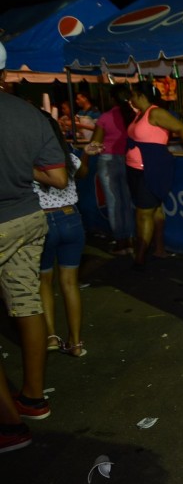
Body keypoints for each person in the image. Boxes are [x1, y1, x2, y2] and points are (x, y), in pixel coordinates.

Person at [0, 42, 68, 449]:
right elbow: (57, 175)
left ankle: (8, 424)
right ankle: (33, 397)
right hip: (27, 218)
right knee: (27, 303)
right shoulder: (29, 113)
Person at [126, 81, 183, 269]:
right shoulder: (139, 114)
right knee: (155, 209)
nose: (130, 99)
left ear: (141, 96)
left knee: (144, 213)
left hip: (150, 168)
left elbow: (181, 128)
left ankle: (140, 257)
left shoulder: (156, 113)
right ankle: (159, 249)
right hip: (136, 169)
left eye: (133, 95)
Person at [37, 127, 89, 358]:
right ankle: (76, 343)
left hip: (42, 222)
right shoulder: (67, 158)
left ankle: (51, 336)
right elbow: (84, 171)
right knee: (70, 283)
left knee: (44, 281)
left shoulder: (30, 160)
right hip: (71, 219)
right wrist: (85, 153)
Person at [83, 84, 136, 256]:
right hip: (129, 160)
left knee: (114, 202)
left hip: (108, 161)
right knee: (127, 201)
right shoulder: (133, 116)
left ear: (112, 99)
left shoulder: (105, 117)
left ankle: (120, 241)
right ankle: (130, 239)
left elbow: (95, 144)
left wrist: (85, 157)